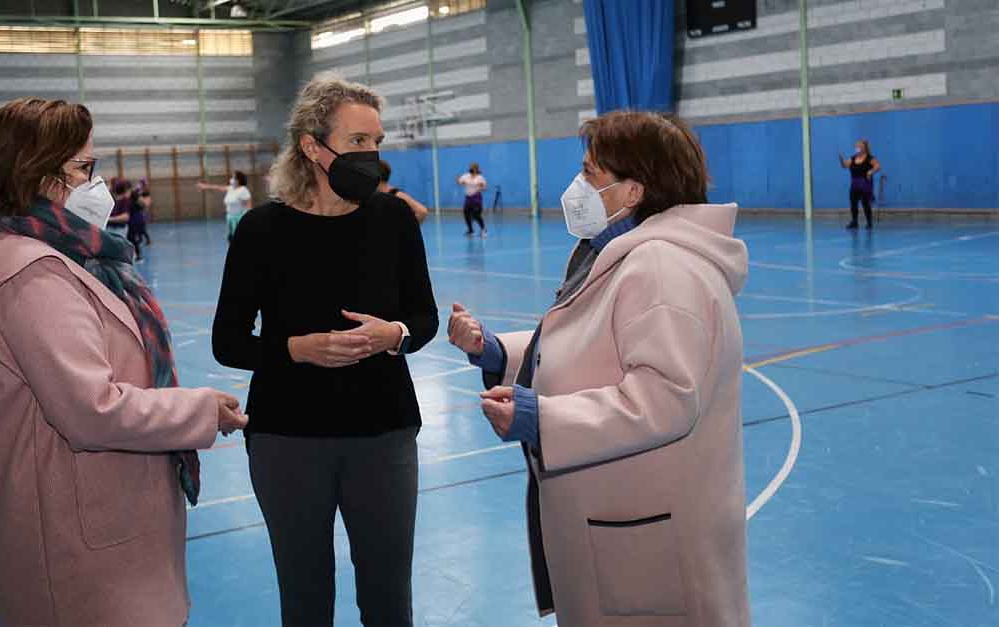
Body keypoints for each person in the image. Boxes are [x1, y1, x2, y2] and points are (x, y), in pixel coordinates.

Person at [0, 97, 247, 626]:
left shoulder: (64, 260)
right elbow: (90, 410)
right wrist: (200, 412)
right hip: (79, 544)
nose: (96, 183)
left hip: (103, 518)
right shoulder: (34, 279)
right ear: (37, 175)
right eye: (84, 167)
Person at [447, 111, 750, 626]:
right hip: (622, 521)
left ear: (632, 191)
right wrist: (499, 353)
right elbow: (592, 347)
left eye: (590, 173)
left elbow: (665, 398)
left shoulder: (662, 267)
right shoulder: (620, 252)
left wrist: (541, 418)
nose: (578, 186)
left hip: (647, 533)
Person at [211, 74, 438, 627]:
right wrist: (294, 349)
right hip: (288, 439)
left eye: (377, 142)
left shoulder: (394, 220)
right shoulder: (261, 229)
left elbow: (424, 318)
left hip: (384, 435)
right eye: (358, 142)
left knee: (389, 600)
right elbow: (228, 340)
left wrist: (396, 336)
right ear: (314, 146)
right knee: (305, 597)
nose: (372, 155)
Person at [197, 170, 252, 242]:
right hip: (230, 217)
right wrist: (205, 187)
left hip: (239, 219)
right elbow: (217, 187)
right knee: (231, 239)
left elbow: (249, 206)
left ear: (238, 180)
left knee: (240, 239)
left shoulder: (243, 190)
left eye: (233, 177)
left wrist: (248, 220)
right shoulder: (231, 188)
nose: (231, 179)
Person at [839, 139, 881, 229]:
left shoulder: (869, 158)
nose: (857, 147)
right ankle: (854, 222)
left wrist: (871, 171)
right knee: (853, 203)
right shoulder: (853, 158)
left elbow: (878, 166)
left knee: (865, 203)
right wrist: (841, 160)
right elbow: (844, 166)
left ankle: (869, 222)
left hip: (865, 184)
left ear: (864, 147)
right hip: (854, 184)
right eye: (856, 146)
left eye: (859, 146)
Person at [456, 162, 487, 237]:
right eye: (472, 167)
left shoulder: (480, 177)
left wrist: (481, 187)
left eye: (475, 168)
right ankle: (470, 230)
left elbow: (484, 187)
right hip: (468, 198)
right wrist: (457, 179)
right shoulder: (466, 176)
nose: (473, 169)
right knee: (466, 214)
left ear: (477, 169)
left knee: (476, 215)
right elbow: (460, 182)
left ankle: (483, 230)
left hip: (476, 197)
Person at [133, 178, 153, 246]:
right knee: (139, 226)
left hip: (143, 212)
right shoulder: (139, 191)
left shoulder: (145, 192)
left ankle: (147, 239)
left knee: (142, 227)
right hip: (140, 211)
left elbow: (147, 203)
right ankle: (141, 239)